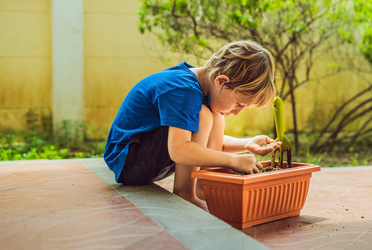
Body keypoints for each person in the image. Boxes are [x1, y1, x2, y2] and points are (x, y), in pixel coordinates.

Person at [104, 40, 281, 209]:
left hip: (144, 155)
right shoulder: (184, 90)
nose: (237, 112)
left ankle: (204, 188)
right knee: (204, 114)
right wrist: (234, 161)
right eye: (239, 104)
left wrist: (246, 144)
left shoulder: (199, 86)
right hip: (128, 160)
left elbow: (202, 142)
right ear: (221, 81)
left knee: (214, 116)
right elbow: (180, 149)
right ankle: (185, 194)